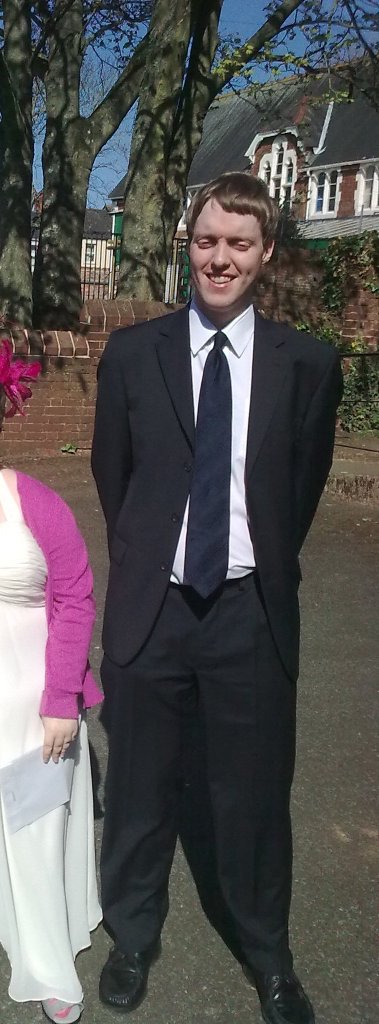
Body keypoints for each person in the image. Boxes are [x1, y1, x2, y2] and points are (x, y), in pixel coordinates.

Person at [91, 172, 343, 1024]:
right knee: (139, 789)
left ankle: (268, 955)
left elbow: (296, 492)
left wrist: (248, 559)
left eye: (239, 243)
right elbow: (113, 477)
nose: (220, 258)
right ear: (185, 245)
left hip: (247, 611)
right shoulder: (134, 353)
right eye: (206, 241)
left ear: (264, 254)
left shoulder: (307, 365)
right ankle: (132, 938)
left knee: (252, 796)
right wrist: (146, 556)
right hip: (154, 607)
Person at [0, 339, 103, 1024]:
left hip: (32, 698)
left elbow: (75, 594)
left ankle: (45, 961)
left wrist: (62, 698)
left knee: (35, 826)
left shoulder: (33, 500)